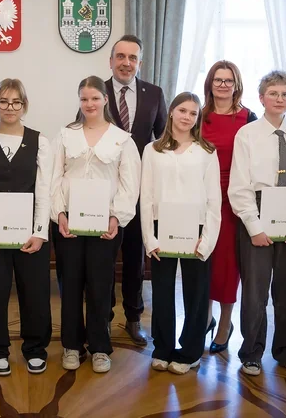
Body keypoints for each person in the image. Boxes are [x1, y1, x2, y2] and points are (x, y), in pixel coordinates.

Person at [228, 70, 286, 377]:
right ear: (262, 98)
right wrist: (254, 227)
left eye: (285, 94)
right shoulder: (247, 135)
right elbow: (239, 185)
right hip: (256, 213)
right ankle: (251, 352)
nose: (279, 99)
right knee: (255, 291)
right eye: (273, 94)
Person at [51, 76, 141, 373]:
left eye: (94, 98)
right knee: (70, 284)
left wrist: (117, 217)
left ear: (105, 100)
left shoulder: (122, 139)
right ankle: (72, 345)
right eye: (84, 99)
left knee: (101, 286)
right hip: (69, 223)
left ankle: (100, 347)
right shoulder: (65, 135)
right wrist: (59, 214)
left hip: (106, 224)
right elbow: (53, 178)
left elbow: (129, 185)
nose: (89, 104)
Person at [0, 78, 53, 376]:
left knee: (35, 291)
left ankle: (35, 349)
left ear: (24, 105)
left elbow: (44, 191)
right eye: (3, 101)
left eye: (16, 101)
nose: (9, 107)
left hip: (30, 234)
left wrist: (40, 233)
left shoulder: (40, 141)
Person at [140, 92, 221, 374]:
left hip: (196, 229)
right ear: (172, 112)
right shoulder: (152, 150)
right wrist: (149, 238)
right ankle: (162, 348)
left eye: (193, 113)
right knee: (162, 291)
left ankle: (190, 352)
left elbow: (214, 200)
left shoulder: (206, 152)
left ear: (197, 119)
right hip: (162, 227)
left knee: (196, 293)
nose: (187, 117)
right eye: (183, 110)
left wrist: (207, 239)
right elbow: (146, 197)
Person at [104, 34, 167, 346]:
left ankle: (133, 317)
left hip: (141, 190)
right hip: (104, 191)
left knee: (134, 257)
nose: (126, 63)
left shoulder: (154, 93)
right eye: (121, 56)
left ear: (140, 63)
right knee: (104, 257)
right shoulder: (96, 91)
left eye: (132, 58)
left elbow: (164, 140)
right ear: (111, 61)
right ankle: (103, 317)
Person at [200, 60, 258, 352]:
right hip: (201, 198)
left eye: (228, 80)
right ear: (210, 83)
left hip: (233, 200)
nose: (223, 85)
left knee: (227, 265)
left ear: (237, 85)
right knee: (203, 260)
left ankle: (225, 323)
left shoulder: (249, 118)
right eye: (218, 80)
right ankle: (205, 317)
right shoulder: (197, 116)